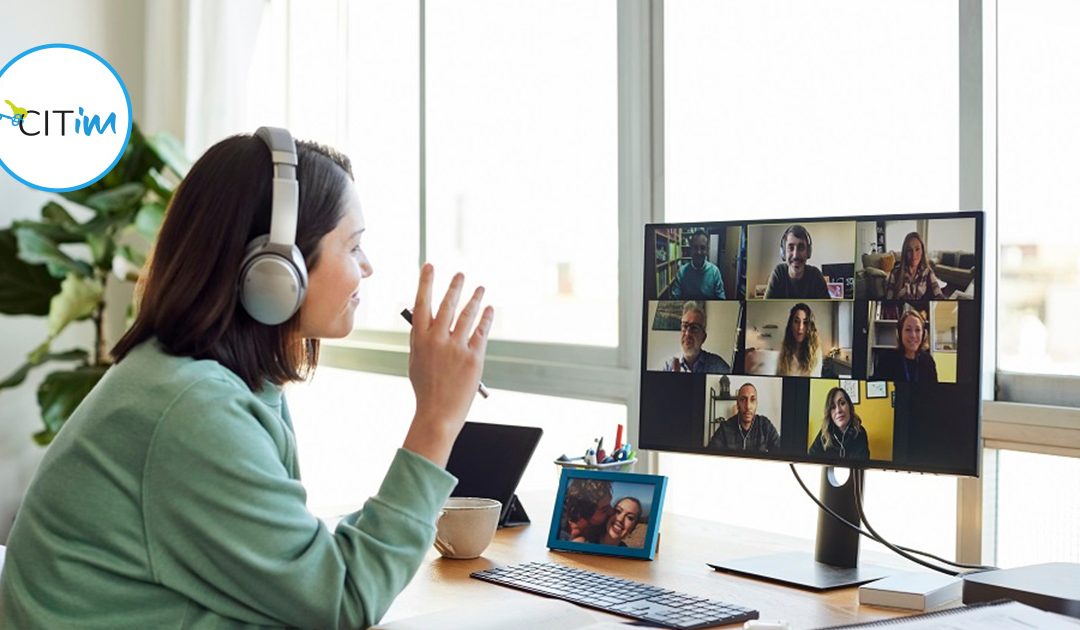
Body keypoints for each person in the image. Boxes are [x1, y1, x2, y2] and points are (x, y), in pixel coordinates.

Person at [0, 129, 495, 629]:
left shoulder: (211, 384)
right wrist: (436, 417)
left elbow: (298, 573)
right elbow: (342, 599)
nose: (367, 268)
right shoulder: (192, 409)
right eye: (353, 246)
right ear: (278, 267)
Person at [708, 383, 781, 452]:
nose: (748, 406)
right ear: (737, 403)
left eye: (752, 400)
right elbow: (710, 454)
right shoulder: (725, 428)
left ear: (756, 404)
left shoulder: (765, 425)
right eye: (743, 399)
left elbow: (781, 451)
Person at [663, 301, 732, 373]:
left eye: (694, 328)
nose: (687, 333)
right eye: (684, 326)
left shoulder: (718, 366)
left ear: (703, 337)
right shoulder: (668, 366)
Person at [764, 224, 830, 299]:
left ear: (808, 252)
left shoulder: (816, 275)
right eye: (791, 248)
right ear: (783, 252)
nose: (795, 255)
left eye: (801, 248)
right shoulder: (778, 273)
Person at [872, 310, 939, 383]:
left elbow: (934, 392)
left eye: (917, 330)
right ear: (899, 334)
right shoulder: (886, 359)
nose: (913, 335)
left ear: (923, 335)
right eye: (908, 330)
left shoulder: (928, 361)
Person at [808, 387, 870, 460]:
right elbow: (811, 459)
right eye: (833, 407)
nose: (838, 410)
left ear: (849, 406)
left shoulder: (860, 432)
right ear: (829, 413)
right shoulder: (824, 433)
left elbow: (861, 465)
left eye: (842, 403)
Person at [885, 232, 945, 300]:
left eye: (917, 249)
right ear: (905, 253)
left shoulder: (927, 272)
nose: (914, 255)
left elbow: (939, 295)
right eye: (909, 250)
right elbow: (888, 300)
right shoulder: (895, 273)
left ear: (922, 251)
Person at [671, 229, 726, 299]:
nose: (699, 252)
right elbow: (675, 298)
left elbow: (721, 299)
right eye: (695, 247)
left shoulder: (715, 272)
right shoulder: (681, 272)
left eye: (702, 248)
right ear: (690, 250)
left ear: (707, 250)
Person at [777, 302, 823, 377]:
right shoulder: (783, 351)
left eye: (805, 322)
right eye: (796, 321)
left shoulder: (815, 352)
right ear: (791, 325)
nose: (800, 327)